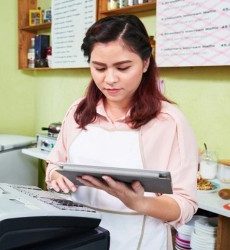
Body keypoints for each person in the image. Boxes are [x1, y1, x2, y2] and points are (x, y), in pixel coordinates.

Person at [45, 15, 198, 250]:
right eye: (99, 68)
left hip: (141, 240)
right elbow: (55, 164)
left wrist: (140, 203)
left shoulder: (169, 121)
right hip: (79, 237)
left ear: (145, 63)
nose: (110, 79)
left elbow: (185, 205)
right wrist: (56, 176)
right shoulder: (78, 111)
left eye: (123, 67)